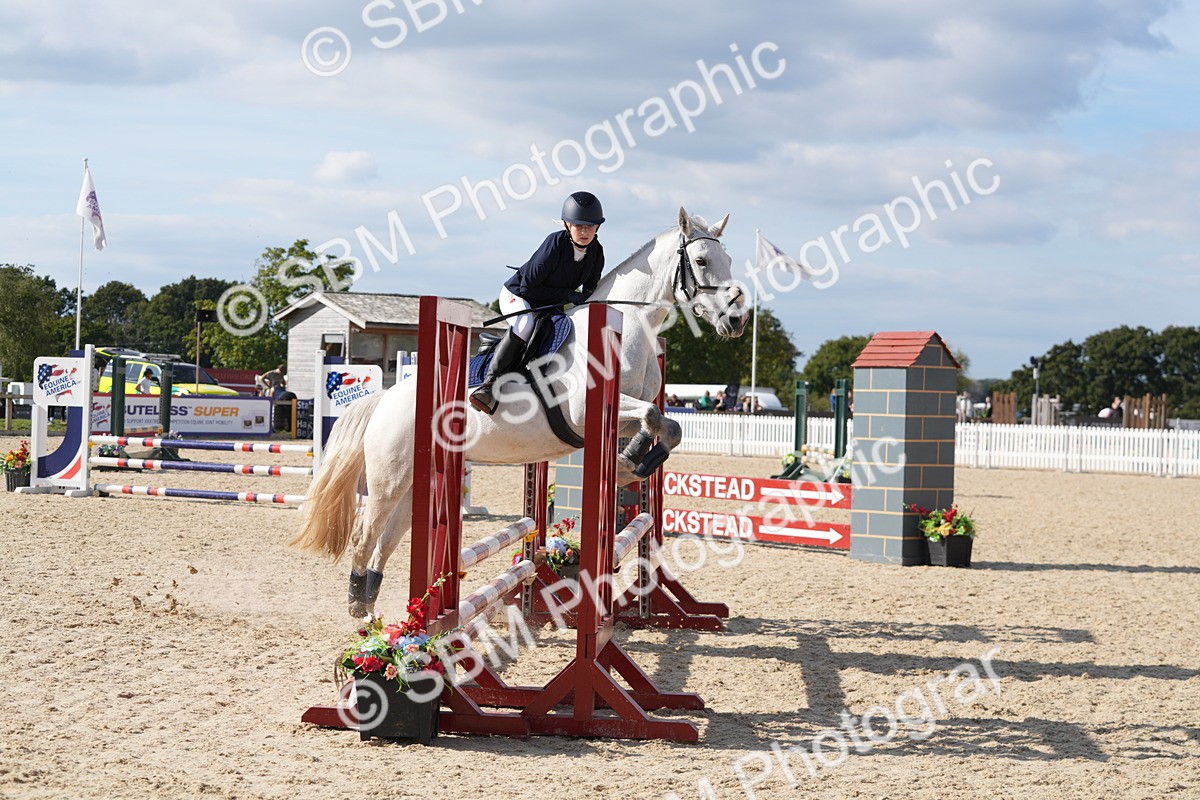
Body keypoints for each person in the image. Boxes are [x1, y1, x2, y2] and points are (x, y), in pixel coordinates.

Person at [469, 191, 606, 415]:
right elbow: (529, 288)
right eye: (579, 226)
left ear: (597, 228)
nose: (584, 231)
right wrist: (570, 295)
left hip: (550, 303)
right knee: (525, 324)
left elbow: (591, 288)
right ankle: (489, 384)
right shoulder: (555, 243)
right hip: (519, 295)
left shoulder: (596, 253)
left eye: (590, 226)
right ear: (567, 225)